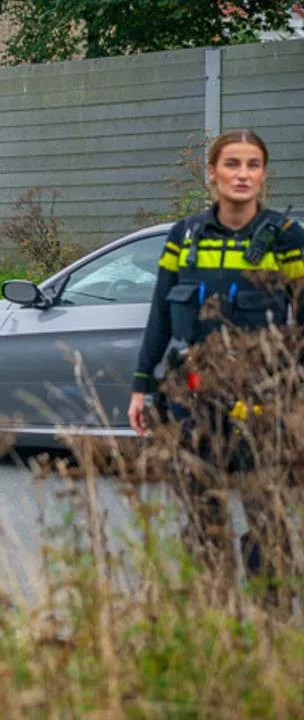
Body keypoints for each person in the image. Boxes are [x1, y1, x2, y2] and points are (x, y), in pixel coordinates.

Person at [127, 128, 303, 598]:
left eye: (252, 165)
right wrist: (141, 386)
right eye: (232, 164)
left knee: (266, 513)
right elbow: (161, 314)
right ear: (213, 173)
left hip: (262, 403)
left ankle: (271, 617)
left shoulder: (287, 238)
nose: (242, 175)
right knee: (201, 512)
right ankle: (213, 617)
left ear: (264, 174)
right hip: (194, 399)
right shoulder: (184, 235)